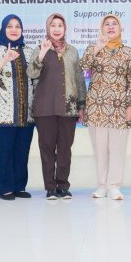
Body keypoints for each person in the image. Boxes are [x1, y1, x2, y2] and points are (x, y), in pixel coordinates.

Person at [28, 13, 86, 200]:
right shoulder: (39, 49)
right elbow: (32, 73)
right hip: (45, 108)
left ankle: (63, 185)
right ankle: (50, 188)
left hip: (68, 108)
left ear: (65, 28)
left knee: (65, 149)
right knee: (47, 149)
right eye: (53, 25)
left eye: (60, 25)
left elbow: (79, 79)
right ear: (48, 28)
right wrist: (42, 54)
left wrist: (81, 105)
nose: (56, 29)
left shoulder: (72, 51)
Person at [80, 14, 131, 200]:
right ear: (101, 28)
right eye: (107, 24)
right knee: (100, 149)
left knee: (117, 149)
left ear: (120, 29)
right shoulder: (93, 48)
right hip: (96, 108)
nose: (111, 27)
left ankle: (114, 186)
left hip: (120, 108)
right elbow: (82, 67)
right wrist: (97, 48)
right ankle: (101, 185)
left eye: (114, 24)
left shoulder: (128, 52)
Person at [0, 14, 36, 201]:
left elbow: (36, 77)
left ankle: (19, 186)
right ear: (3, 29)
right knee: (3, 152)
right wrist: (4, 59)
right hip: (1, 114)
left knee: (21, 152)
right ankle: (4, 188)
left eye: (17, 26)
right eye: (10, 26)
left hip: (25, 114)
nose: (14, 30)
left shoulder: (29, 51)